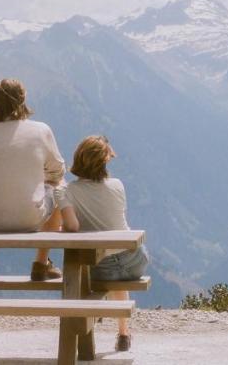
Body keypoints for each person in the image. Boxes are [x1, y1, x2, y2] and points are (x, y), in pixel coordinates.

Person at [0, 78, 66, 281]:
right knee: (61, 186)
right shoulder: (41, 131)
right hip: (31, 217)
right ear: (22, 101)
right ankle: (42, 263)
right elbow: (58, 171)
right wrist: (37, 176)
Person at [56, 135, 149, 353]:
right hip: (135, 261)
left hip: (101, 268)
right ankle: (124, 333)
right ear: (104, 162)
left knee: (99, 265)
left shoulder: (67, 191)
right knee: (117, 262)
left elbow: (71, 226)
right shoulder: (117, 185)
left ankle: (95, 319)